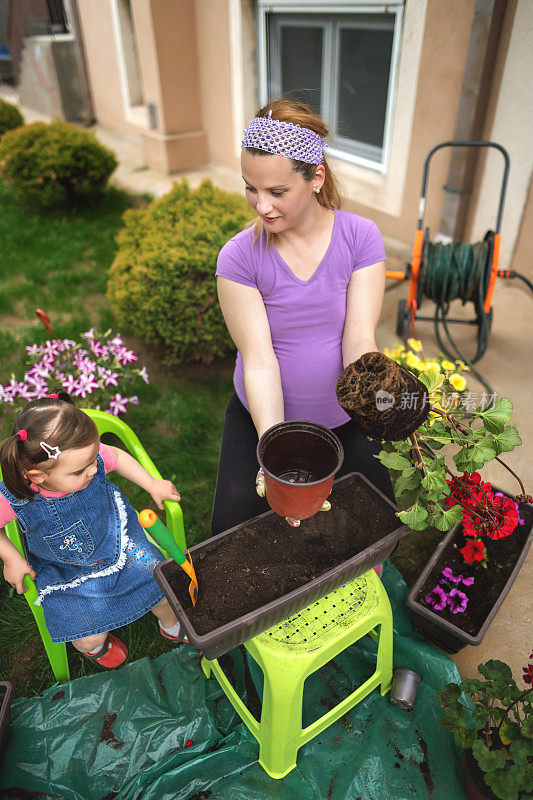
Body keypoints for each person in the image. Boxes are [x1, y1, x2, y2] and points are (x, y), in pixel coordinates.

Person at [211, 98, 394, 537]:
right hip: (262, 417)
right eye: (250, 188)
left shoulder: (360, 238)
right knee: (232, 533)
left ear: (316, 177)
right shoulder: (238, 258)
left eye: (276, 192)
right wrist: (277, 455)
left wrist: (380, 405)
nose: (260, 205)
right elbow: (258, 360)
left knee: (377, 519)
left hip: (344, 416)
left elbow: (358, 342)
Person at [0, 393, 186, 668]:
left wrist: (151, 483)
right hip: (64, 568)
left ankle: (170, 625)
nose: (92, 470)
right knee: (85, 633)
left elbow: (118, 457)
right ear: (39, 476)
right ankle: (96, 647)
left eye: (93, 460)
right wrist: (11, 557)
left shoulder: (86, 459)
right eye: (79, 471)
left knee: (162, 587)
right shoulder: (15, 497)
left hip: (118, 541)